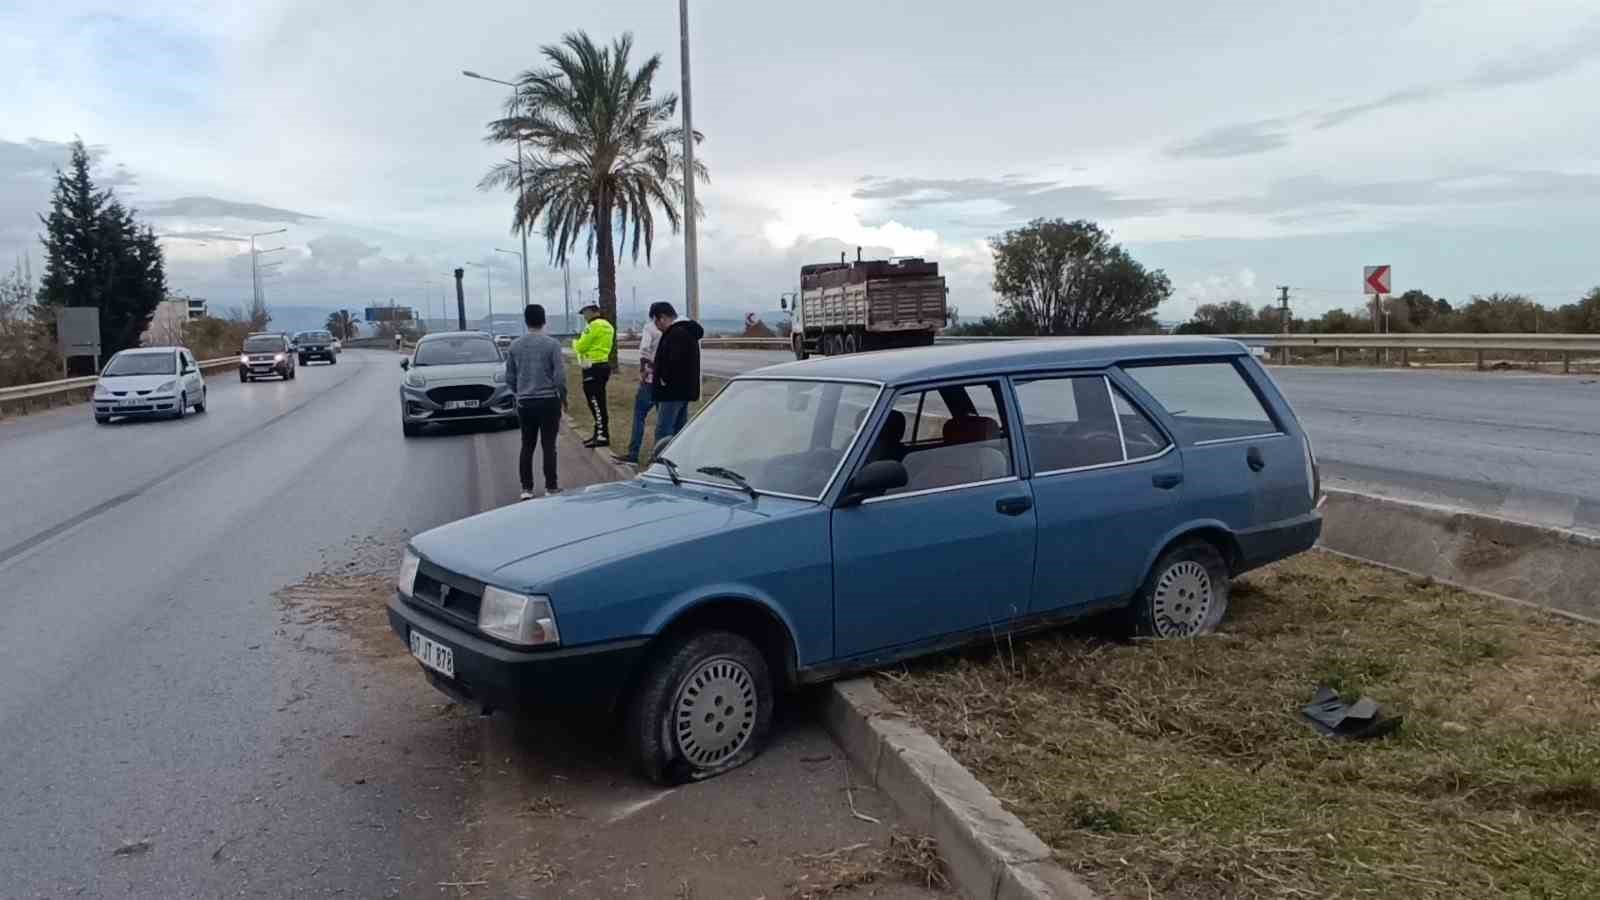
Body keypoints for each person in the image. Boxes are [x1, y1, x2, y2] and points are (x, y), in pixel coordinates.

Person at [503, 304, 567, 500]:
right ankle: (551, 486)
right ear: (544, 320)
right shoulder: (552, 345)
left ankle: (526, 489)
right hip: (548, 401)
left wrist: (519, 393)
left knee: (527, 445)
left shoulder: (514, 346)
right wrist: (563, 397)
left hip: (525, 403)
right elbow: (559, 376)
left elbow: (509, 377)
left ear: (526, 321)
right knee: (549, 444)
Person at [612, 307, 664, 465]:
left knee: (639, 416)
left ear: (654, 317)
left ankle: (633, 454)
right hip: (665, 382)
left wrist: (643, 369)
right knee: (664, 422)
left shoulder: (650, 328)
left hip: (650, 380)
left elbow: (644, 349)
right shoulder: (672, 328)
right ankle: (660, 457)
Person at [650, 302, 704, 448]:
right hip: (683, 390)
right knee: (679, 429)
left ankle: (660, 460)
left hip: (671, 391)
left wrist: (663, 379)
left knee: (664, 429)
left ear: (662, 318)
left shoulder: (676, 333)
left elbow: (674, 362)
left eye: (655, 321)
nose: (656, 326)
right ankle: (678, 457)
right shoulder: (686, 331)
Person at [573, 303, 616, 448]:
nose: (584, 316)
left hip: (592, 367)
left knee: (595, 403)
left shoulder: (592, 326)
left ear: (593, 311)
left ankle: (602, 436)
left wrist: (575, 343)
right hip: (603, 365)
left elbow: (581, 347)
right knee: (599, 401)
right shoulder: (608, 326)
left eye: (585, 313)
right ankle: (599, 433)